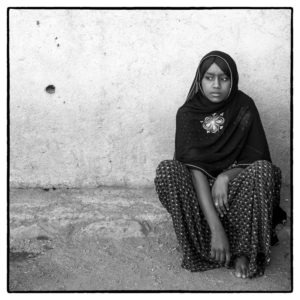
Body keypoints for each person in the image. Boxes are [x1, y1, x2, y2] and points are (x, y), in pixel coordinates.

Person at [154, 50, 287, 279]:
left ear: (232, 80)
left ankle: (245, 251)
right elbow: (193, 169)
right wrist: (217, 229)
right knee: (168, 170)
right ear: (200, 79)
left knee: (264, 171)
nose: (216, 84)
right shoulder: (187, 113)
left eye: (224, 78)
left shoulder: (244, 106)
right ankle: (208, 245)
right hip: (200, 194)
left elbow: (256, 158)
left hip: (235, 192)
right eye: (209, 77)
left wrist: (225, 177)